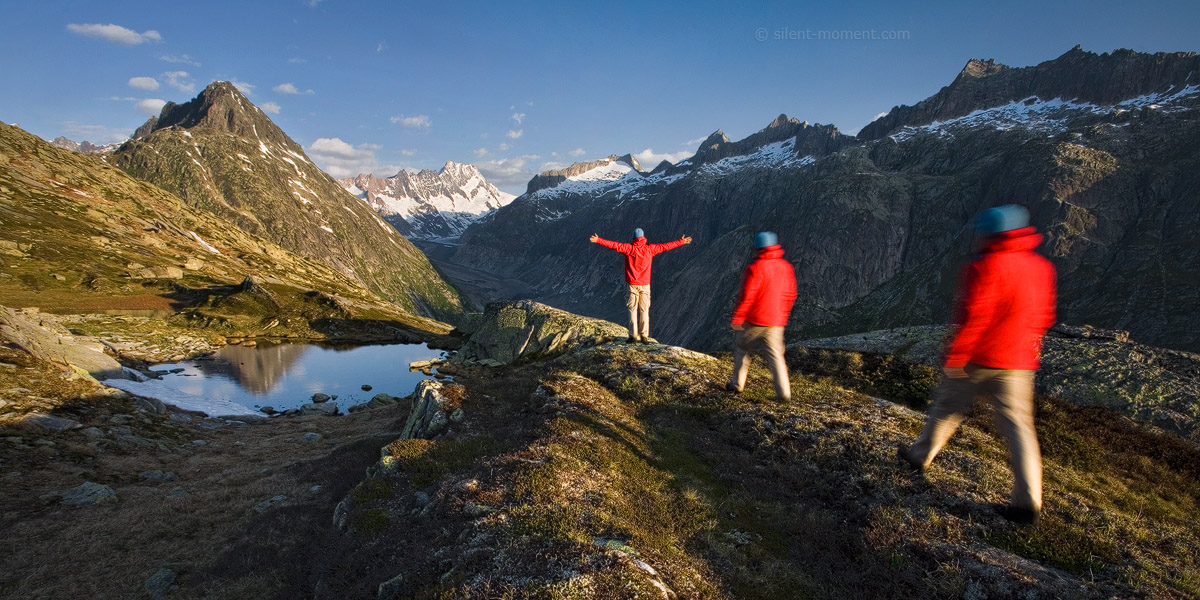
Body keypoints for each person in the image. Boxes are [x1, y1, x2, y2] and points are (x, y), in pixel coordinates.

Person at [899, 204, 1057, 525]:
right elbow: (1045, 317)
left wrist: (956, 356)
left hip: (978, 359)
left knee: (947, 408)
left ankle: (919, 457)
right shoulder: (1041, 268)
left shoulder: (985, 267)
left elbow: (974, 316)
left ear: (991, 235)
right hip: (1018, 362)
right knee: (1019, 428)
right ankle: (1027, 503)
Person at [726, 231, 797, 402]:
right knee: (775, 356)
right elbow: (790, 294)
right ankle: (784, 394)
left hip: (755, 321)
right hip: (776, 321)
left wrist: (738, 318)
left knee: (743, 349)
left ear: (758, 249)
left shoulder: (755, 268)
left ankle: (737, 384)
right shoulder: (785, 267)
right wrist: (783, 313)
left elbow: (747, 296)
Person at [589, 228, 692, 343]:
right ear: (643, 238)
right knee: (644, 310)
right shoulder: (650, 249)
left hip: (632, 284)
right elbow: (665, 246)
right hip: (645, 284)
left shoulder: (629, 249)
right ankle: (644, 336)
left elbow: (614, 245)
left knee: (632, 310)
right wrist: (681, 242)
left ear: (634, 238)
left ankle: (633, 336)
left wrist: (598, 240)